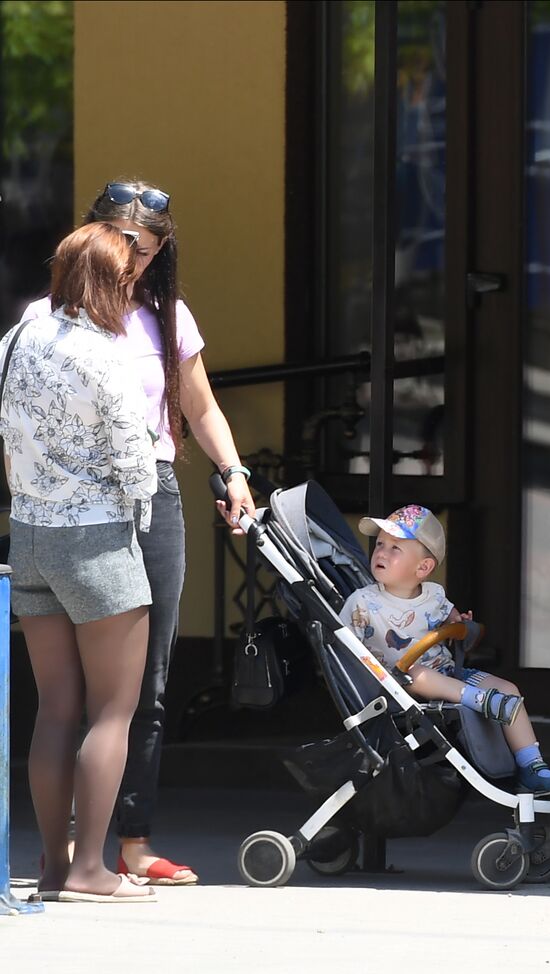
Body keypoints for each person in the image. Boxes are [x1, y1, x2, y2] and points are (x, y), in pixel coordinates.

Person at [21, 179, 255, 886]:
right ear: (92, 237)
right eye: (122, 245)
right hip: (107, 502)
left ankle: (131, 841)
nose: (133, 261)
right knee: (96, 700)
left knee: (142, 683)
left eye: (147, 250)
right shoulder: (47, 319)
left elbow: (201, 406)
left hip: (117, 500)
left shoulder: (167, 317)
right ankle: (74, 857)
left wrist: (234, 471)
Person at [3, 223, 159, 902]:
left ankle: (50, 864)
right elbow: (135, 462)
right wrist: (140, 510)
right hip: (97, 541)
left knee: (55, 709)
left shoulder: (17, 340)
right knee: (112, 712)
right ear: (115, 281)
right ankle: (93, 871)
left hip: (29, 534)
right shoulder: (109, 356)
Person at [339, 504, 550, 798]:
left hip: (448, 674)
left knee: (508, 689)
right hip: (397, 685)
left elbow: (456, 623)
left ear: (423, 568)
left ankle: (533, 767)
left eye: (395, 548)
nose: (381, 553)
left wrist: (461, 624)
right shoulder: (361, 602)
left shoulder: (435, 595)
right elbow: (342, 647)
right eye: (380, 544)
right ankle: (480, 701)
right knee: (419, 675)